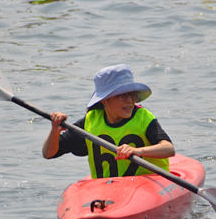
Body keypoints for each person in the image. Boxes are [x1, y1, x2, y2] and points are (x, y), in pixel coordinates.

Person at [42, 64, 175, 179]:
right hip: (108, 192)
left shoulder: (143, 117)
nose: (129, 100)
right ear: (104, 100)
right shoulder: (90, 121)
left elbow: (169, 149)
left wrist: (137, 151)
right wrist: (55, 130)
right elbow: (48, 153)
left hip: (147, 187)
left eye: (131, 94)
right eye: (122, 95)